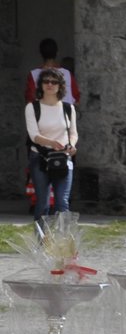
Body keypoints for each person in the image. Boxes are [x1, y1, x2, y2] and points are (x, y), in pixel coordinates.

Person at [25, 68, 77, 224]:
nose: (50, 84)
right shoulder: (32, 107)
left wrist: (72, 145)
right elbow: (34, 135)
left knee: (62, 203)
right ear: (40, 85)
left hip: (62, 157)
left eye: (54, 82)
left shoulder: (68, 108)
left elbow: (73, 133)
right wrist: (51, 143)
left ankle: (64, 243)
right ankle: (42, 243)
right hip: (40, 158)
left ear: (60, 86)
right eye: (46, 81)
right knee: (43, 203)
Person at [23, 37, 80, 105]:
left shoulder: (33, 74)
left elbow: (30, 99)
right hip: (64, 114)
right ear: (57, 52)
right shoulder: (67, 74)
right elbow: (76, 99)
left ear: (40, 53)